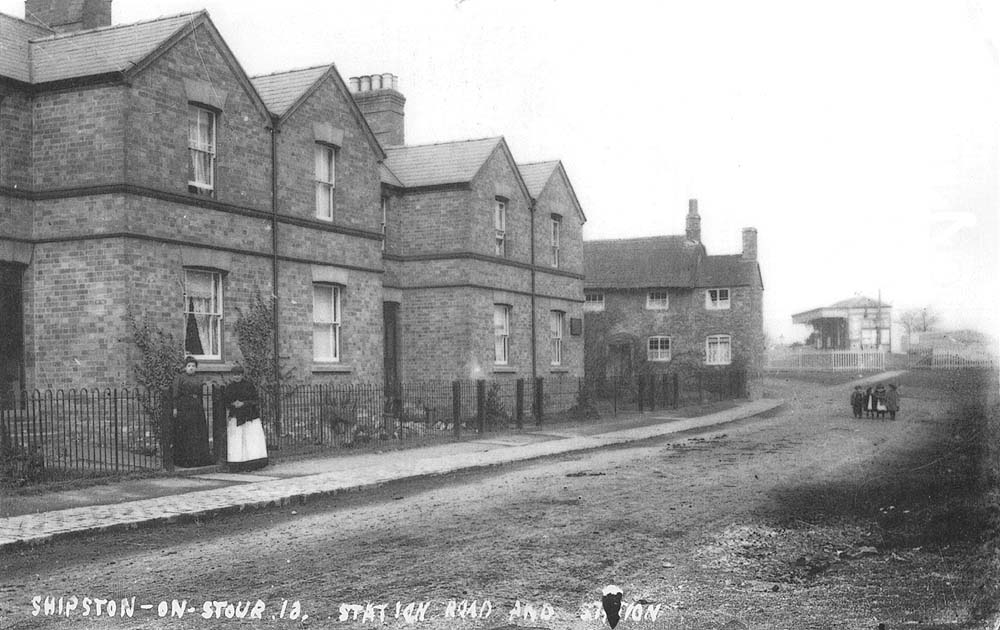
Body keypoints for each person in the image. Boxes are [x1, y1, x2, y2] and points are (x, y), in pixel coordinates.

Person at [221, 365, 268, 471]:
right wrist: (233, 404)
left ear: (242, 375)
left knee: (250, 440)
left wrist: (244, 403)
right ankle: (237, 463)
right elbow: (226, 401)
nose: (236, 377)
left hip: (249, 416)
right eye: (234, 375)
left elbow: (255, 400)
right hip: (236, 416)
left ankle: (252, 463)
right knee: (237, 440)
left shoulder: (249, 386)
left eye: (238, 375)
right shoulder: (229, 387)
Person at [170, 356, 213, 468]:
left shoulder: (198, 379)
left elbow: (201, 393)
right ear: (185, 367)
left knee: (197, 432)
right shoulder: (179, 378)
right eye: (189, 366)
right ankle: (185, 460)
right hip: (184, 407)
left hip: (196, 407)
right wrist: (175, 408)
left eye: (193, 366)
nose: (191, 368)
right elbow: (175, 394)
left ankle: (198, 459)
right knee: (186, 433)